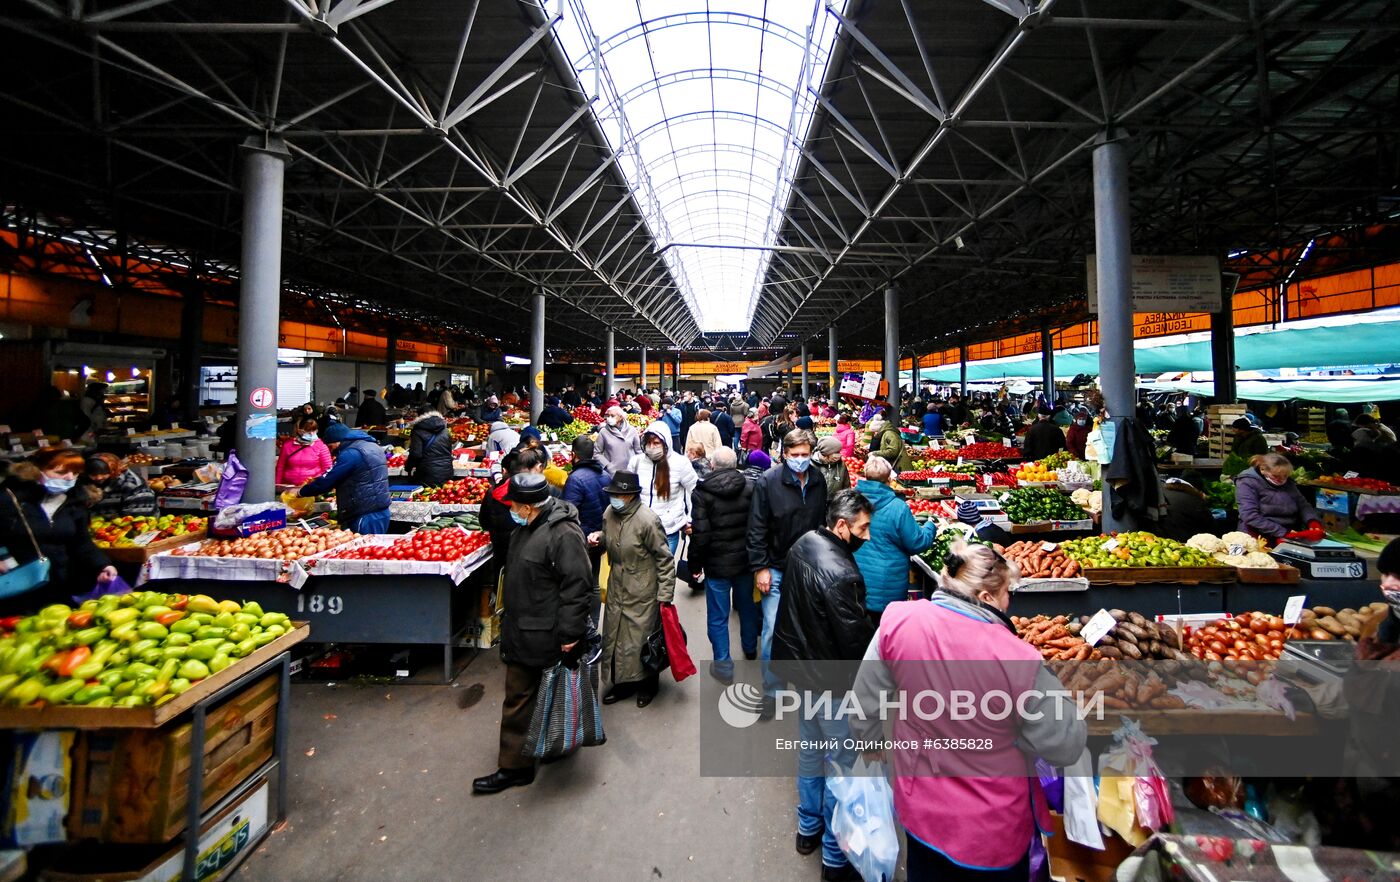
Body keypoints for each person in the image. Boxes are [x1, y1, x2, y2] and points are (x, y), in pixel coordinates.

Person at [852, 541, 1088, 882]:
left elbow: (864, 701)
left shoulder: (900, 619)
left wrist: (870, 741)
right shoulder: (1016, 658)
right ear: (987, 597)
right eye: (1008, 592)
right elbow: (1065, 744)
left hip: (919, 804)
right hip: (990, 829)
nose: (1010, 601)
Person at [770, 489, 876, 882]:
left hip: (802, 672)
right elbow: (855, 642)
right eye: (863, 528)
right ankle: (835, 857)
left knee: (811, 755)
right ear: (842, 525)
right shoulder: (842, 575)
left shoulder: (804, 544)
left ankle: (807, 829)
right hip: (831, 684)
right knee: (841, 769)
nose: (868, 536)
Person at [473, 473, 593, 795]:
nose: (510, 508)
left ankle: (518, 765)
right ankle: (526, 760)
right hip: (522, 627)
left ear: (527, 507)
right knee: (524, 695)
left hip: (545, 631)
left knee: (526, 696)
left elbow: (578, 586)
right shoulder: (526, 528)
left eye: (513, 504)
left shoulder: (562, 533)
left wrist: (570, 633)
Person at [747, 429, 828, 715]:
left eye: (806, 455)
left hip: (810, 570)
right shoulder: (768, 483)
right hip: (777, 568)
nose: (801, 460)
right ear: (784, 455)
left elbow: (822, 523)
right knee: (771, 631)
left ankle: (810, 686)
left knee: (811, 631)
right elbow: (756, 527)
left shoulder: (818, 480)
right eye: (795, 455)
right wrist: (760, 567)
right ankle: (773, 691)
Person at [596, 470, 675, 709]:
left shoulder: (648, 520)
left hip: (643, 590)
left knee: (642, 639)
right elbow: (608, 537)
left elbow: (664, 559)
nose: (615, 498)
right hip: (617, 585)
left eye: (619, 494)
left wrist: (665, 595)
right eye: (613, 494)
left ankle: (648, 685)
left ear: (631, 495)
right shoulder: (610, 513)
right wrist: (598, 539)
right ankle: (622, 683)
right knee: (616, 636)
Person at [0, 450, 116, 613]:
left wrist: (101, 565)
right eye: (61, 472)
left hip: (61, 585)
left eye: (75, 473)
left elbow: (81, 541)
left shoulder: (74, 502)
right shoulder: (9, 499)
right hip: (18, 585)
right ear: (37, 471)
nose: (69, 478)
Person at [688, 448, 759, 682]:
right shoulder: (749, 487)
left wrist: (694, 564)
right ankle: (750, 648)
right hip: (745, 562)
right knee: (747, 607)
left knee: (718, 615)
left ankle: (723, 665)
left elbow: (701, 533)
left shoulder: (702, 492)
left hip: (716, 565)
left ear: (712, 465)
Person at [854, 455, 938, 619]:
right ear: (888, 479)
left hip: (857, 578)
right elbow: (917, 543)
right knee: (885, 629)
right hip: (888, 583)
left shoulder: (852, 501)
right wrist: (930, 527)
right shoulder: (897, 507)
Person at [298, 422, 391, 533]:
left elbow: (328, 480)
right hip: (380, 509)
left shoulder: (351, 453)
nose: (331, 450)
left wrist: (301, 492)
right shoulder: (372, 446)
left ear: (337, 441)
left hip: (364, 512)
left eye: (330, 446)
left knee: (364, 548)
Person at [627, 422, 697, 554]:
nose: (652, 447)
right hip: (640, 529)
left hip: (668, 530)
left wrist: (690, 518)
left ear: (665, 443)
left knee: (664, 572)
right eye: (649, 443)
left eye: (656, 443)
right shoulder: (636, 462)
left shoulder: (680, 463)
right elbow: (628, 493)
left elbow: (695, 491)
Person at [1236, 452, 1321, 542]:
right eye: (1276, 476)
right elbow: (1249, 515)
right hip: (1257, 536)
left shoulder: (1288, 483)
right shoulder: (1247, 482)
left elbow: (1302, 504)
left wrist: (1312, 521)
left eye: (1285, 476)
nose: (1281, 480)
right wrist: (1283, 532)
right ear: (1262, 469)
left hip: (1289, 534)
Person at [562, 437, 610, 597]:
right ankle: (594, 621)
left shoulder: (575, 479)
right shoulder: (605, 475)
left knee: (579, 586)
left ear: (574, 455)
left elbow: (568, 513)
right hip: (599, 537)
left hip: (582, 540)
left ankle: (584, 620)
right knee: (594, 582)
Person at [82, 453, 159, 518]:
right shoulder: (84, 482)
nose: (98, 477)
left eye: (104, 473)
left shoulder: (134, 487)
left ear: (116, 470)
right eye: (93, 474)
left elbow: (137, 521)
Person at [272, 417, 333, 488]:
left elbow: (327, 469)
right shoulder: (287, 445)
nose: (311, 433)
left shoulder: (321, 446)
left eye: (314, 430)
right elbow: (280, 467)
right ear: (300, 431)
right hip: (289, 487)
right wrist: (277, 485)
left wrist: (322, 486)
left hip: (311, 487)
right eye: (308, 431)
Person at [1159, 471, 1215, 542]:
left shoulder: (1161, 491)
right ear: (1198, 490)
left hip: (1157, 540)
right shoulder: (1195, 502)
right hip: (1182, 542)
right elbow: (1212, 531)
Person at [405, 409, 453, 487]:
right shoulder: (445, 430)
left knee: (425, 496)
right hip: (447, 471)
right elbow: (449, 451)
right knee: (442, 495)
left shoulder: (417, 430)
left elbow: (416, 454)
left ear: (420, 417)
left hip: (427, 472)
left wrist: (408, 466)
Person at [594, 406, 641, 474]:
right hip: (612, 473)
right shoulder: (603, 432)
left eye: (612, 416)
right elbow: (596, 453)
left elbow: (638, 451)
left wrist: (637, 467)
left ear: (621, 417)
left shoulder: (632, 430)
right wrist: (608, 465)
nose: (609, 418)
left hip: (630, 472)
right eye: (608, 416)